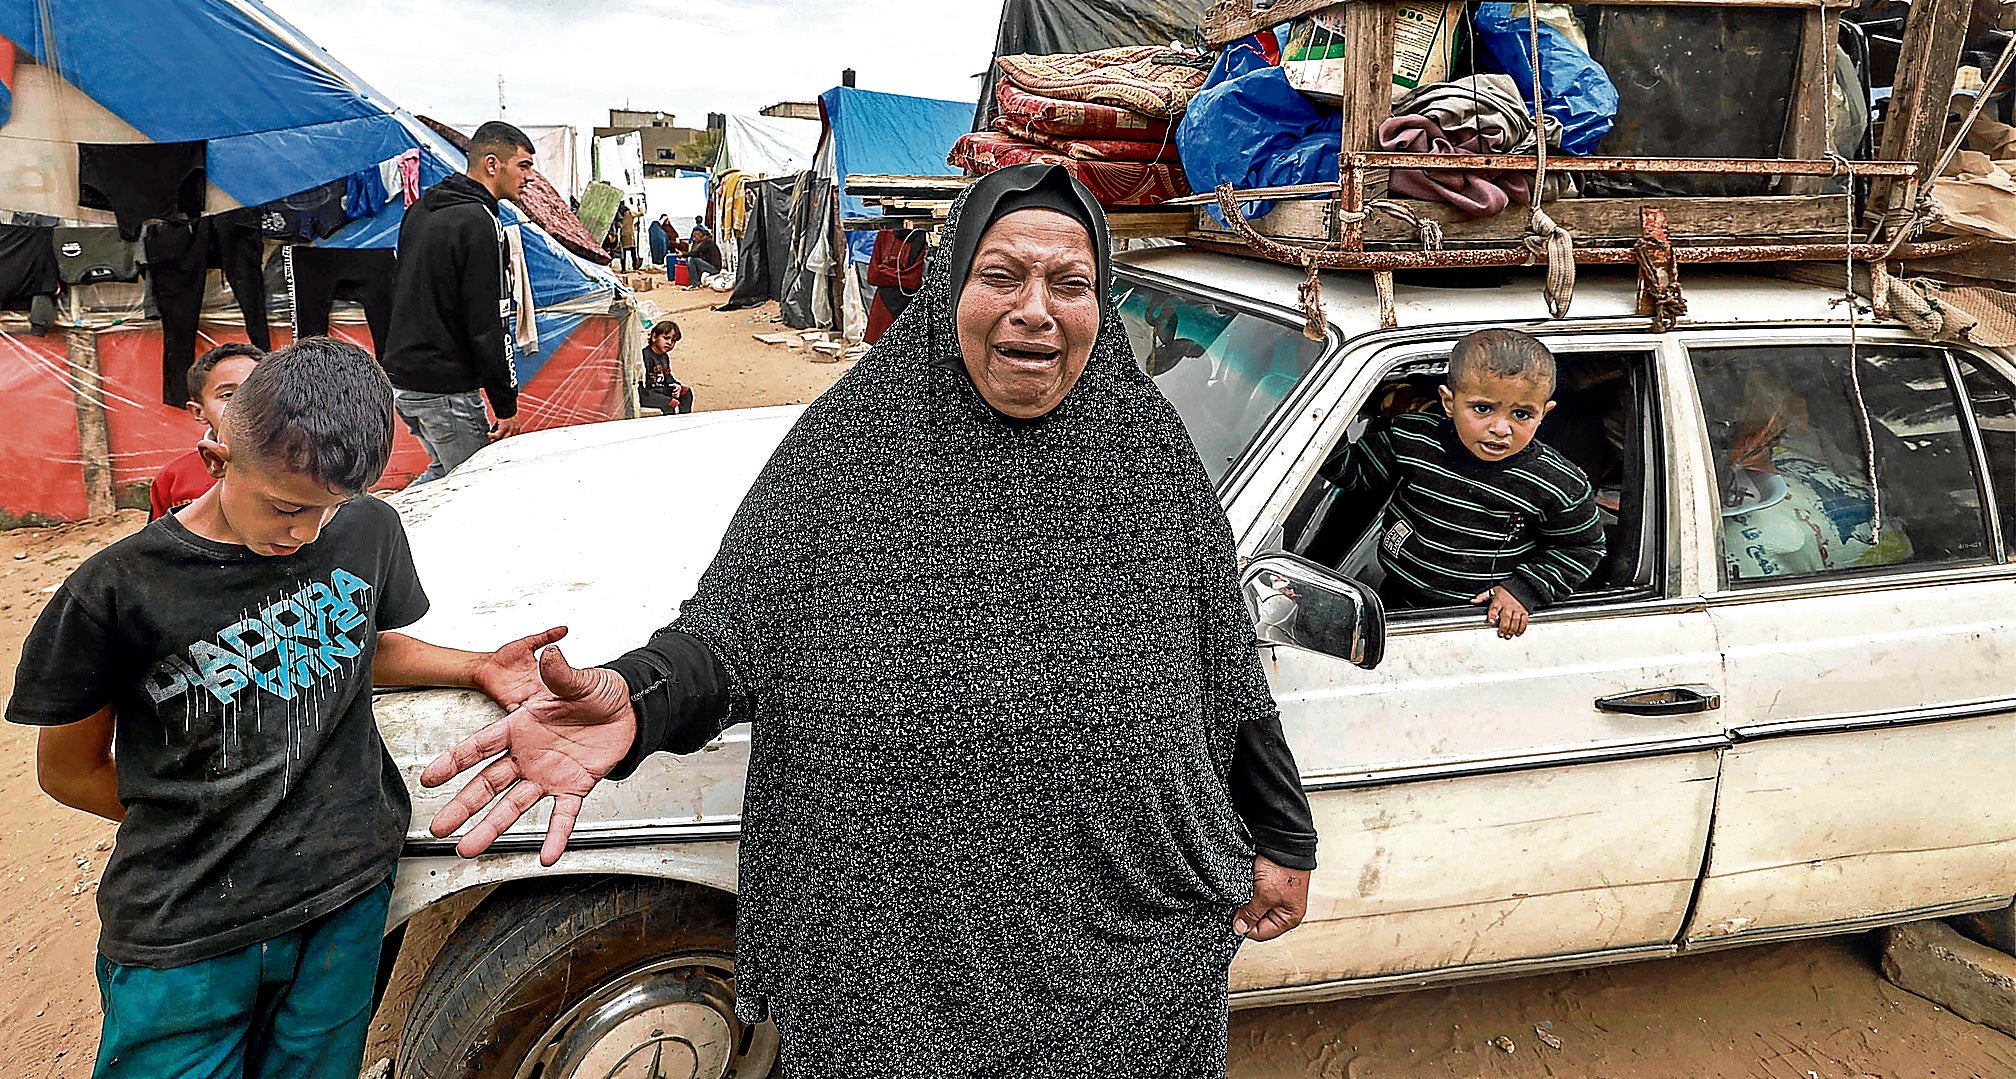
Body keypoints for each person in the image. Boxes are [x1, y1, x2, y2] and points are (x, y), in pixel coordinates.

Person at [420, 164, 1317, 1079]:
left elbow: (1225, 667)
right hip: (895, 973)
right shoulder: (852, 449)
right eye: (1002, 275)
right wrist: (638, 699)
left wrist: (1283, 836)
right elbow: (733, 636)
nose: (1036, 310)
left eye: (1070, 283)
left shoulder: (1148, 453)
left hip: (1122, 966)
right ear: (951, 284)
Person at [9, 338, 565, 1079]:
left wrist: (474, 664)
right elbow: (69, 770)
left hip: (346, 896)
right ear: (216, 457)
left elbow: (354, 637)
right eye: (284, 506)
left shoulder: (368, 530)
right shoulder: (115, 591)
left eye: (329, 510)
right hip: (190, 928)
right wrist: (212, 821)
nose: (304, 533)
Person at [1321, 328, 1605, 639]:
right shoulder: (1412, 438)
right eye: (1482, 409)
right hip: (1395, 596)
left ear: (1544, 414)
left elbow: (1582, 546)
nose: (1500, 428)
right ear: (1448, 402)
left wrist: (1523, 590)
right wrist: (1317, 422)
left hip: (1481, 620)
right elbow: (1354, 472)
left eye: (1521, 414)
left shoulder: (1557, 483)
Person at [381, 120, 535, 485]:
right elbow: (489, 321)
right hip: (443, 388)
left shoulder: (421, 209)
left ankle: (387, 527)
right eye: (524, 166)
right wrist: (505, 404)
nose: (530, 177)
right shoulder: (480, 221)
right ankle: (376, 533)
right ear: (492, 164)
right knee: (475, 484)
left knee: (444, 475)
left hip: (403, 379)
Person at [149, 341, 263, 519]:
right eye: (228, 395)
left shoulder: (306, 464)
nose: (246, 402)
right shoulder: (173, 479)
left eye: (258, 390)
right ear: (198, 412)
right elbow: (159, 544)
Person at [639, 320, 694, 415]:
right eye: (666, 338)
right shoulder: (644, 356)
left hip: (661, 390)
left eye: (673, 341)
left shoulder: (664, 357)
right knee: (671, 403)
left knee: (686, 392)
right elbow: (641, 385)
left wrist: (677, 386)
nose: (669, 343)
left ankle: (685, 421)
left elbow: (668, 377)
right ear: (654, 337)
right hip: (647, 393)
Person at [684, 225, 722, 290]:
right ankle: (695, 281)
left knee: (691, 259)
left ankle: (694, 283)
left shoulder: (707, 242)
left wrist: (683, 254)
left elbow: (695, 253)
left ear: (700, 234)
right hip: (712, 266)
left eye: (695, 236)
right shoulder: (706, 241)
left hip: (714, 269)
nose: (694, 238)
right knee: (691, 259)